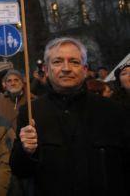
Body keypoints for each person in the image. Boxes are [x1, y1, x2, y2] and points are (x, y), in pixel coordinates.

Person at [10, 37, 130, 195]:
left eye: (74, 62)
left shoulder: (112, 111)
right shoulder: (31, 112)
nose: (66, 68)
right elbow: (20, 171)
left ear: (85, 69)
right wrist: (25, 151)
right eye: (58, 61)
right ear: (46, 70)